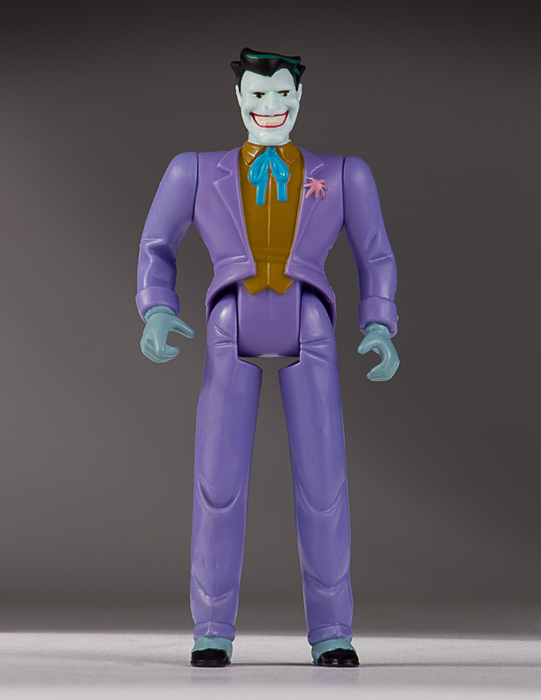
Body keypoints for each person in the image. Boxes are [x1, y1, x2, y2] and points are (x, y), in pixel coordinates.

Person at [136, 48, 400, 667]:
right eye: (258, 94)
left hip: (310, 319)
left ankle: (333, 629)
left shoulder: (344, 174)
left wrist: (379, 322)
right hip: (230, 320)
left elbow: (376, 254)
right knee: (218, 481)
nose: (271, 106)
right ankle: (212, 627)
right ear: (238, 98)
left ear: (300, 97)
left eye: (283, 93)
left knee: (325, 482)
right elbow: (156, 247)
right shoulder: (193, 171)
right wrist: (156, 307)